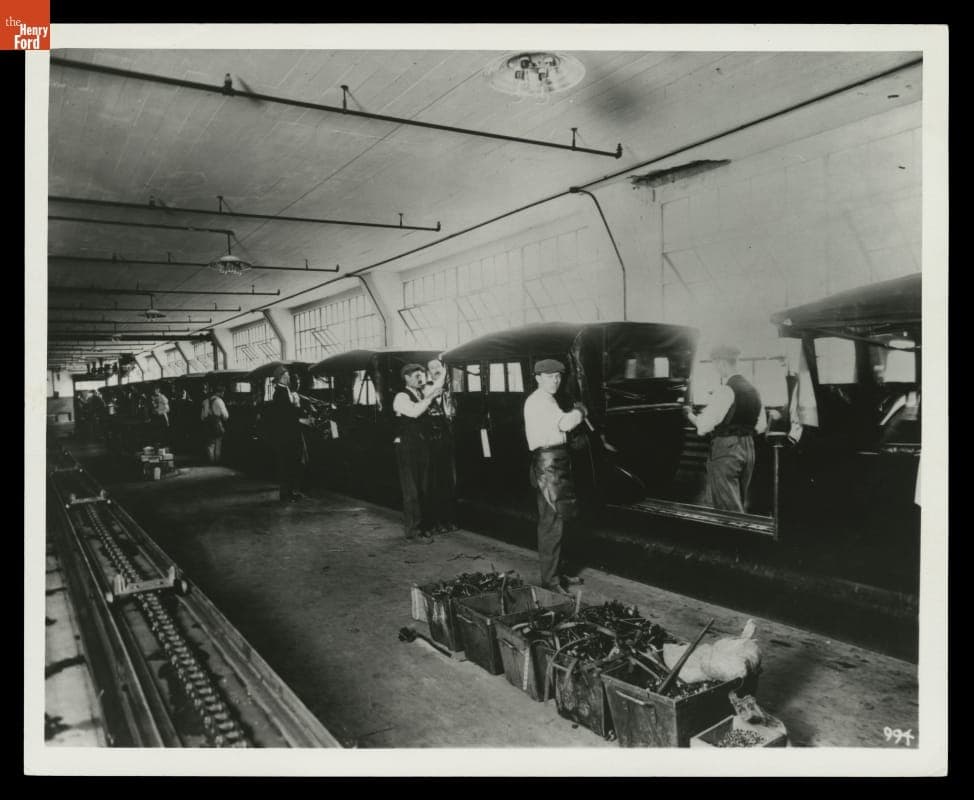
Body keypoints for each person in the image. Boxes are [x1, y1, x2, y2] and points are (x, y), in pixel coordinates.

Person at [523, 359, 587, 593]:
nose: (555, 380)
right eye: (550, 376)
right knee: (552, 524)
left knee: (560, 519)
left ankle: (557, 573)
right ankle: (550, 582)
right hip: (548, 466)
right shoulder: (540, 401)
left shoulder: (548, 399)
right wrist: (581, 410)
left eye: (558, 376)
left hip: (555, 461)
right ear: (538, 378)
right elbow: (566, 423)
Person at [686, 345, 767, 513]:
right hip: (749, 447)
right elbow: (761, 426)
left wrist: (689, 415)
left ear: (721, 363)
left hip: (727, 448)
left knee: (727, 506)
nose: (716, 369)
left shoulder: (726, 390)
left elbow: (703, 427)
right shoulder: (754, 390)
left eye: (715, 364)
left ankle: (737, 531)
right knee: (738, 499)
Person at [393, 363, 444, 542]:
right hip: (407, 447)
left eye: (422, 375)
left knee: (424, 488)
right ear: (406, 378)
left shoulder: (421, 394)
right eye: (416, 376)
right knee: (412, 491)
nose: (421, 379)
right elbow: (414, 412)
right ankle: (413, 531)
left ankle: (424, 527)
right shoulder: (401, 396)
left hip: (422, 446)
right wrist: (430, 398)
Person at [266, 366, 311, 504]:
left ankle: (290, 492)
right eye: (286, 376)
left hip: (288, 433)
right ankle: (286, 494)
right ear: (280, 378)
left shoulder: (285, 391)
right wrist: (299, 413)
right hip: (288, 435)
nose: (288, 378)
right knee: (288, 464)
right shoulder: (281, 393)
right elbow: (287, 415)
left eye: (288, 376)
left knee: (290, 463)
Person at [424, 358, 458, 534]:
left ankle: (448, 519)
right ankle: (437, 521)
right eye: (432, 368)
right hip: (433, 441)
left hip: (446, 439)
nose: (436, 369)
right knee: (436, 482)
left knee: (448, 482)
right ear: (428, 372)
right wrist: (444, 373)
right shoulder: (427, 388)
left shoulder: (449, 388)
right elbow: (434, 392)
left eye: (438, 366)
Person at [200, 385, 230, 464]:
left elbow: (202, 417)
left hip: (207, 425)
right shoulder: (219, 401)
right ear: (220, 392)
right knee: (218, 444)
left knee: (210, 445)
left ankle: (211, 462)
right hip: (217, 424)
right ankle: (217, 462)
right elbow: (226, 416)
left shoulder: (205, 401)